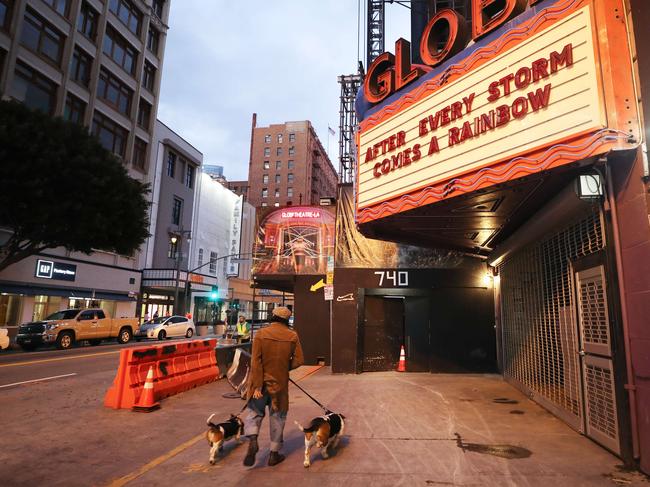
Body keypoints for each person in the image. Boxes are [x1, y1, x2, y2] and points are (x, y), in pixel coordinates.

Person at [243, 306, 304, 467]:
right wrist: (284, 368)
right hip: (280, 384)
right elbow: (299, 360)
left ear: (273, 317)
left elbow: (255, 361)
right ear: (287, 320)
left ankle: (253, 437)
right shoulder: (292, 335)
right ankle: (273, 454)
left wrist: (256, 385)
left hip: (259, 385)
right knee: (278, 417)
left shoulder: (261, 334)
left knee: (254, 413)